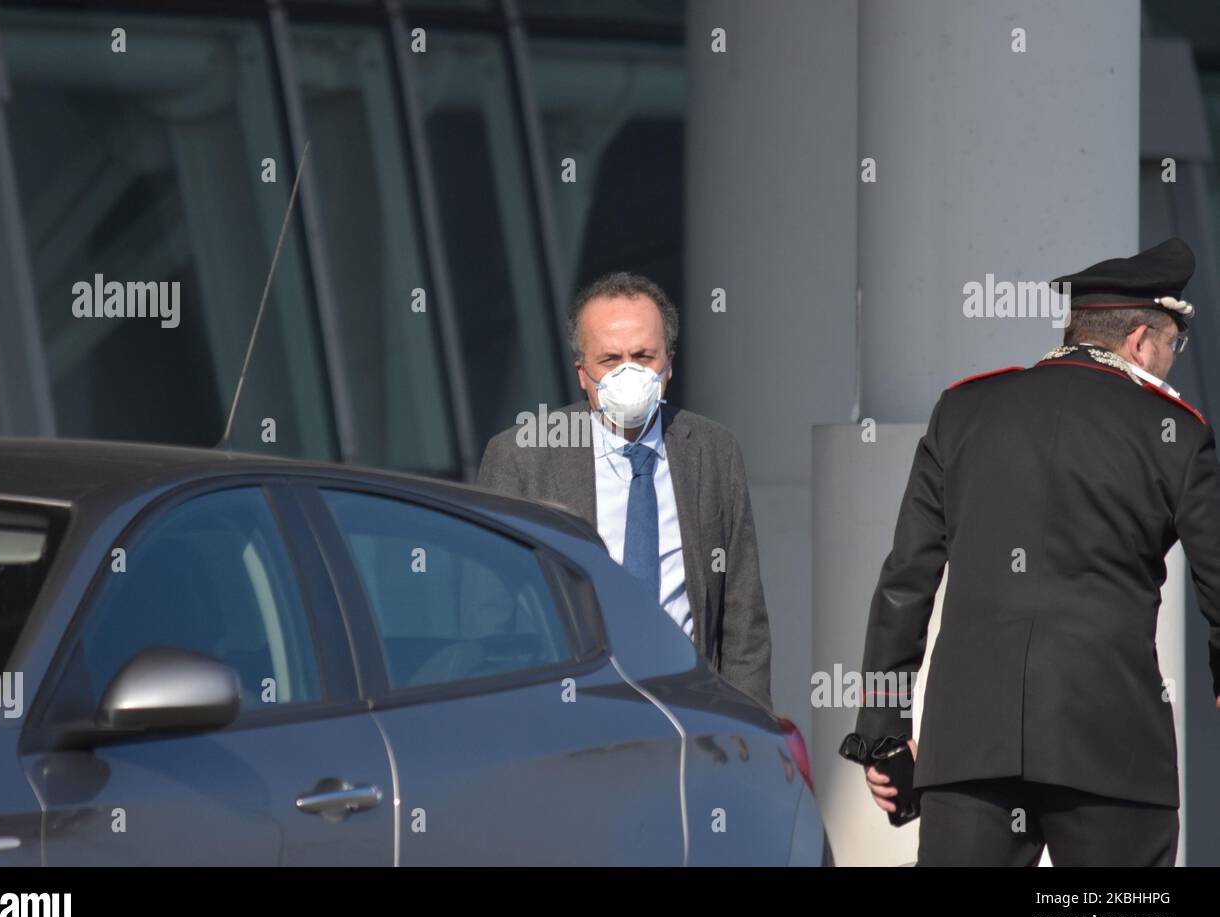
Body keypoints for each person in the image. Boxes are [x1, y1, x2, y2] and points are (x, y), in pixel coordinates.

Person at [848, 237, 1220, 865]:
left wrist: (882, 735)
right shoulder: (1173, 431)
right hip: (1110, 748)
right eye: (1170, 345)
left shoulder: (964, 410)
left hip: (969, 748)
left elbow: (904, 584)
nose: (1170, 363)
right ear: (1137, 340)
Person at [477, 272, 773, 710]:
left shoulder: (713, 451)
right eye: (610, 359)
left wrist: (748, 730)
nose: (628, 372)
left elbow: (743, 619)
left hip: (688, 715)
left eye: (643, 356)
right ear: (582, 373)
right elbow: (492, 618)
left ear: (669, 364)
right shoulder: (521, 457)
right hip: (572, 717)